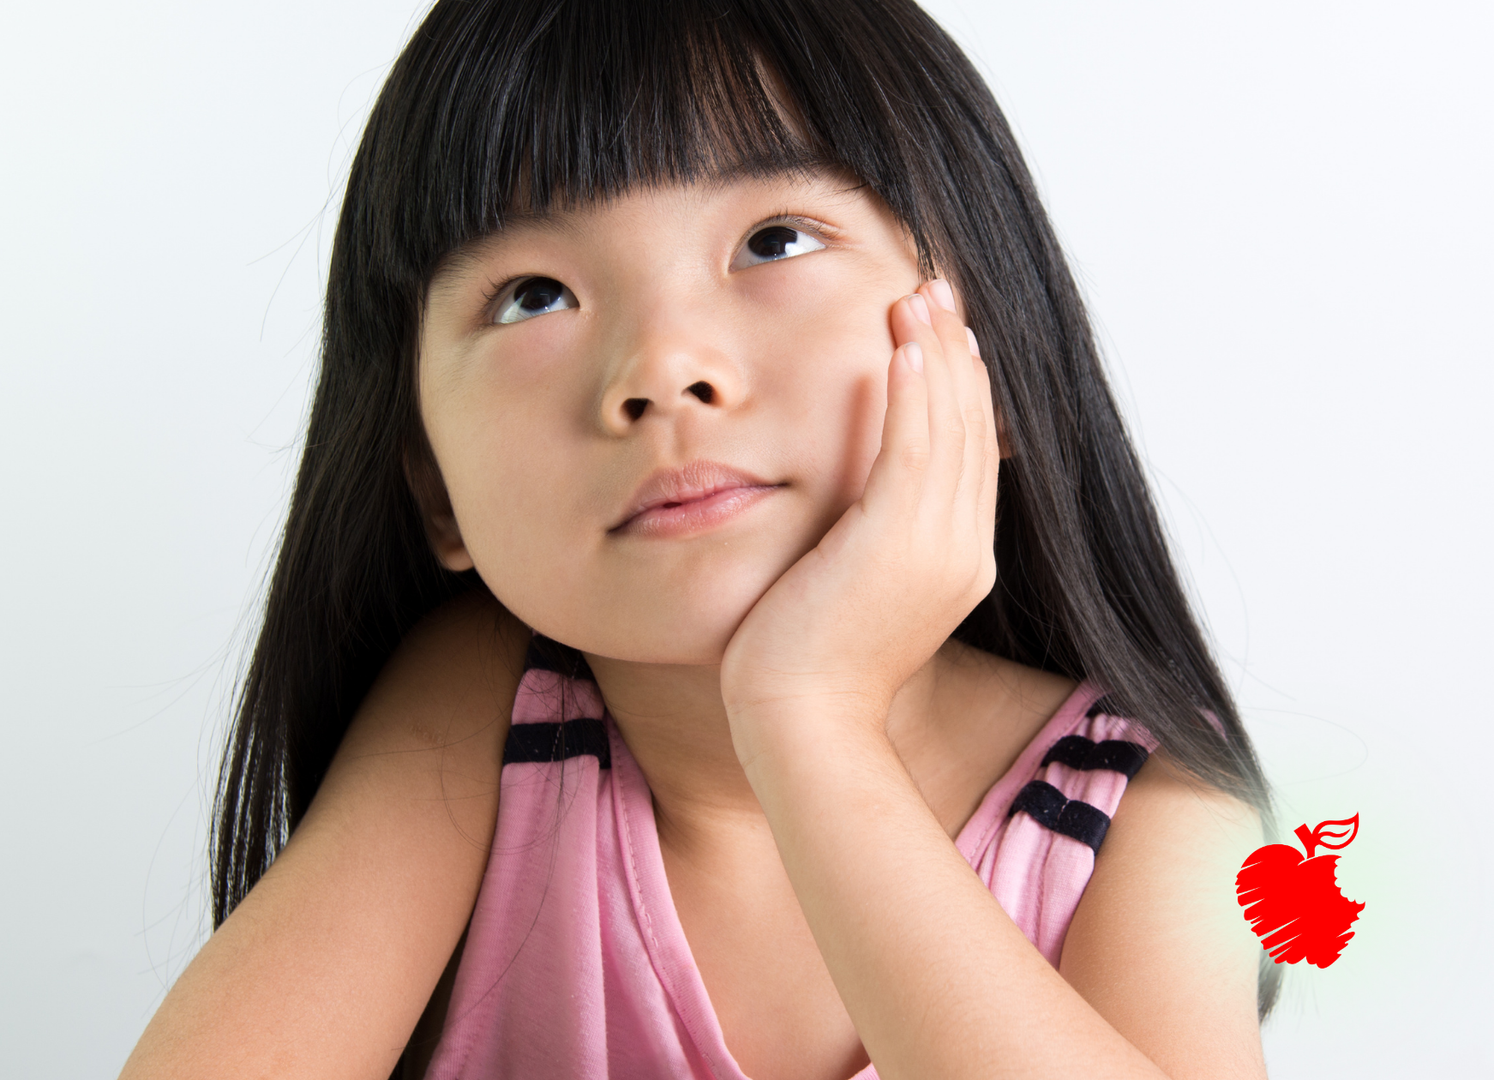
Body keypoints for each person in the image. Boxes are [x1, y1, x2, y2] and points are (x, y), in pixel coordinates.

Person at [121, 1, 1276, 1077]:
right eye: (532, 295)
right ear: (432, 489)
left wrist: (810, 718)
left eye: (775, 240)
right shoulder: (487, 719)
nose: (662, 369)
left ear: (993, 362)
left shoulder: (1151, 822)